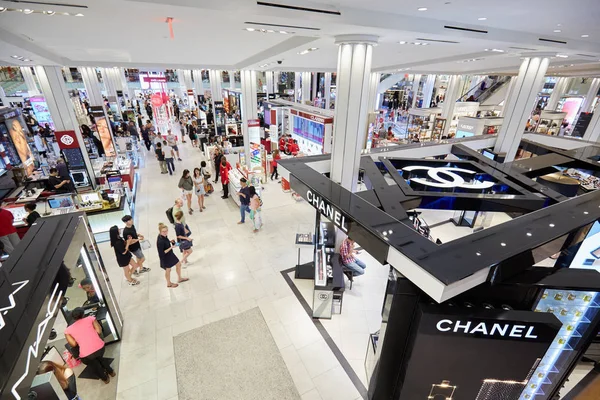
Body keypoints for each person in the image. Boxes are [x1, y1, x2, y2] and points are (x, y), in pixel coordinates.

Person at [65, 307, 115, 384]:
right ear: (83, 314)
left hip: (87, 355)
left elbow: (73, 344)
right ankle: (111, 372)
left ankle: (105, 379)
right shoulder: (91, 318)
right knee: (100, 358)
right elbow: (99, 331)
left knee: (94, 364)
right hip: (100, 347)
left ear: (73, 317)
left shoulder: (68, 330)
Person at [156, 223, 189, 288]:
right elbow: (162, 252)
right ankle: (169, 283)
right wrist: (171, 247)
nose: (165, 233)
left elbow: (166, 241)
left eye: (166, 231)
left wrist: (170, 242)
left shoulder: (163, 236)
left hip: (170, 254)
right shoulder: (160, 241)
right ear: (160, 231)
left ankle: (179, 278)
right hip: (165, 257)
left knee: (178, 264)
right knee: (168, 270)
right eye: (163, 231)